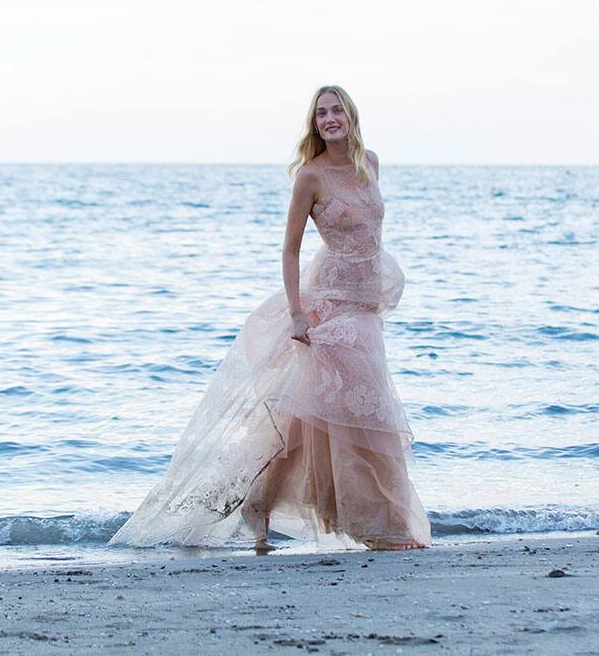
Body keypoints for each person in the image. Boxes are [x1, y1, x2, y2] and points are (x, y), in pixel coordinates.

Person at [108, 85, 431, 552]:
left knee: (312, 422)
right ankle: (383, 527)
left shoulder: (371, 163)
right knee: (361, 412)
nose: (330, 118)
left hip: (366, 304)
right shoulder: (310, 177)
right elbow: (291, 248)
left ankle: (260, 502)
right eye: (321, 113)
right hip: (329, 307)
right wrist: (298, 313)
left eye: (337, 109)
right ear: (314, 125)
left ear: (351, 115)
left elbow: (370, 232)